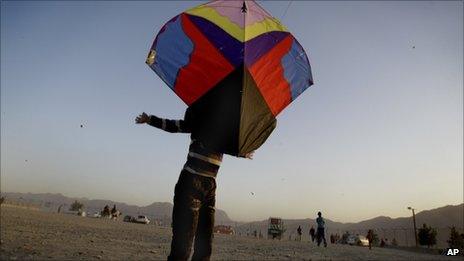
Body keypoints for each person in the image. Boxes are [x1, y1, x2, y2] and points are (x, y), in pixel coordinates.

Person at [136, 110, 252, 261]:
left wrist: (242, 152)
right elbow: (174, 126)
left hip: (210, 186)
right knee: (183, 241)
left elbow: (229, 145)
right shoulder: (200, 117)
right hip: (191, 182)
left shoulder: (224, 130)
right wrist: (150, 119)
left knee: (205, 240)